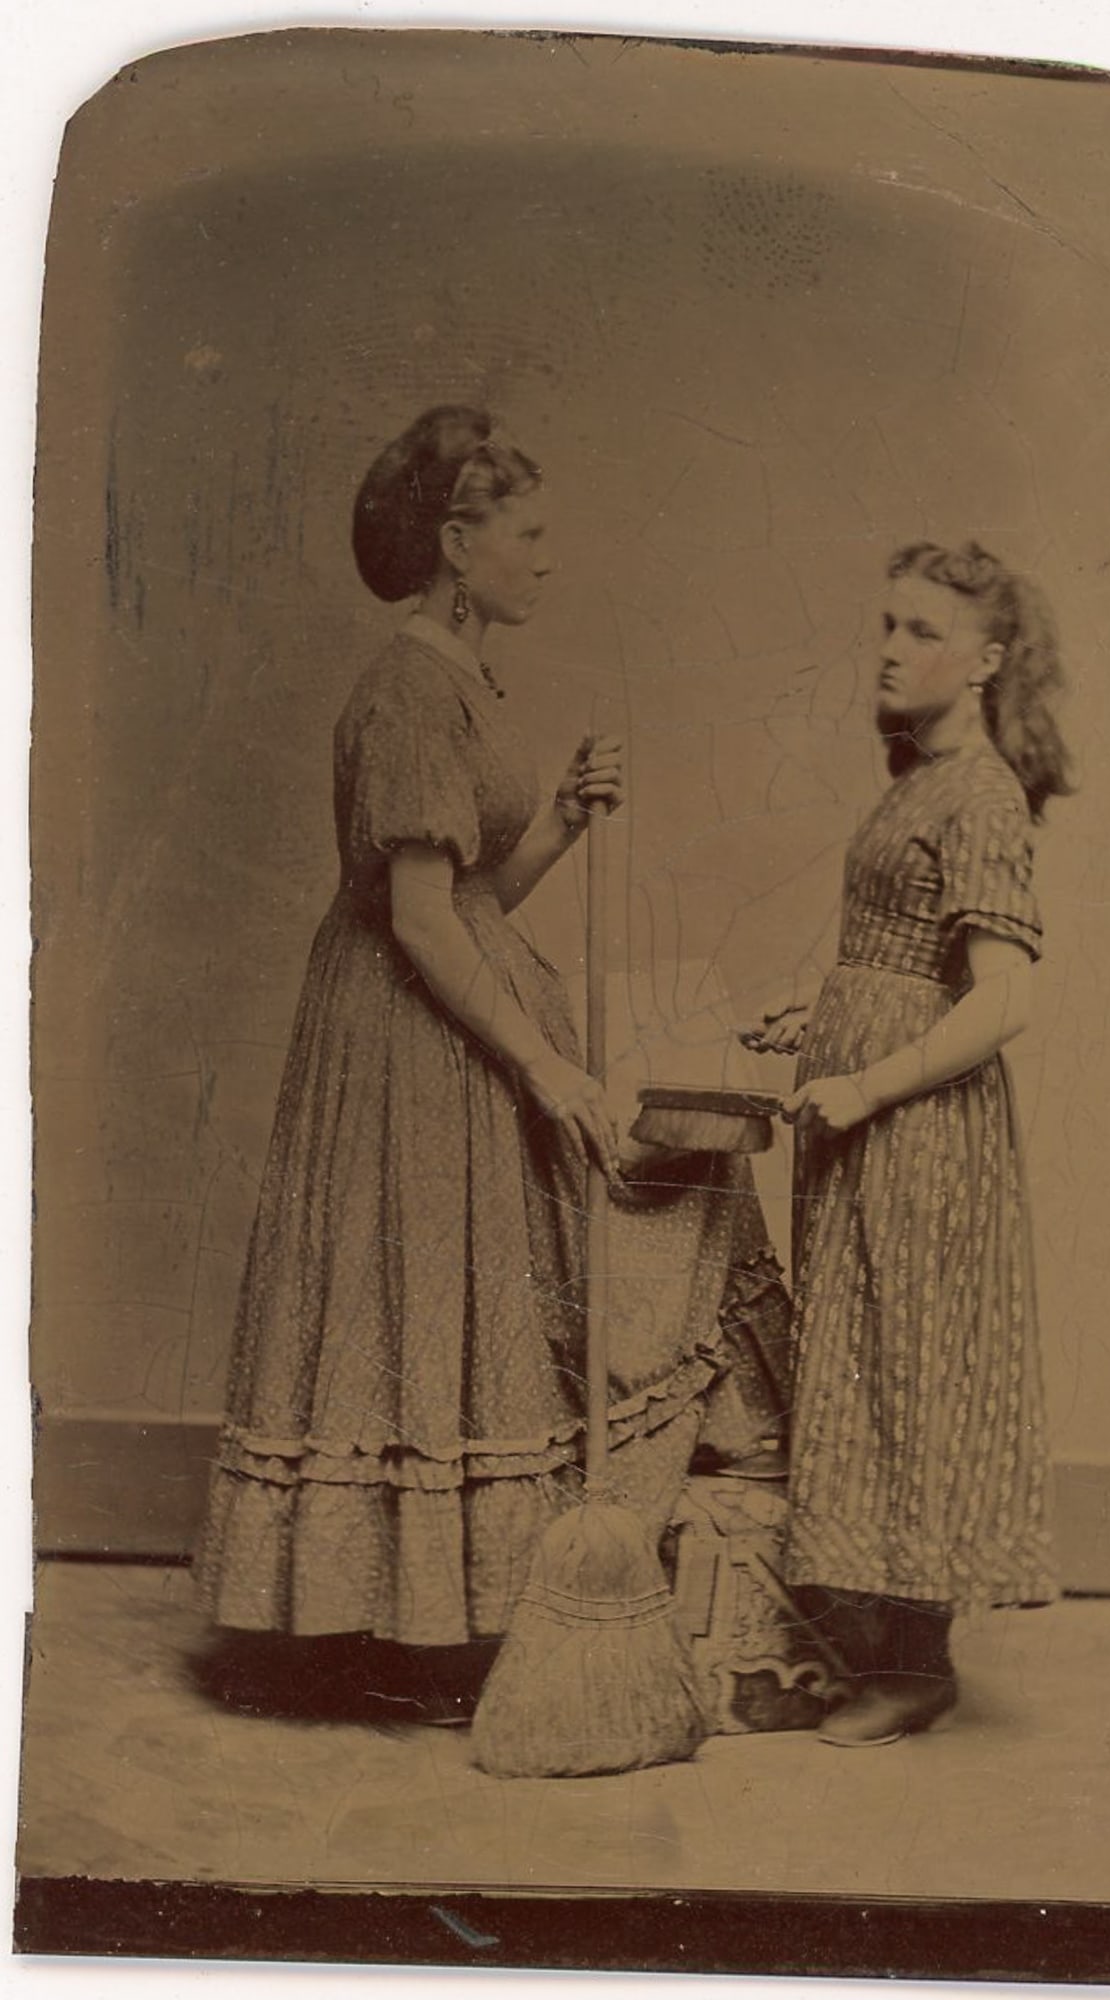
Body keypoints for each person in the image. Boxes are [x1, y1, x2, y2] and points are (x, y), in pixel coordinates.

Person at [194, 406, 632, 1709]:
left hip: (449, 1015)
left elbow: (476, 895)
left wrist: (560, 818)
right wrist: (545, 1068)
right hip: (400, 1029)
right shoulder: (405, 688)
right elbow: (423, 922)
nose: (548, 557)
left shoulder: (461, 680)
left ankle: (425, 1624)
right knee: (401, 1299)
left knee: (442, 1303)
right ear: (456, 543)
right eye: (526, 534)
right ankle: (365, 1634)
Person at [744, 539, 1073, 1748]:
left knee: (910, 1369)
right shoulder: (915, 781)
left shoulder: (979, 792)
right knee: (864, 1361)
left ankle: (915, 1665)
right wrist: (820, 1008)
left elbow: (1002, 999)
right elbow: (904, 956)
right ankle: (875, 1641)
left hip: (919, 1132)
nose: (888, 649)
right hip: (864, 1123)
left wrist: (865, 1080)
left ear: (984, 662)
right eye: (886, 623)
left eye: (921, 630)